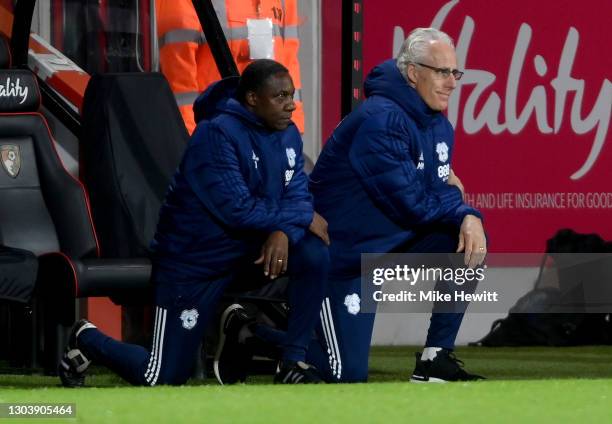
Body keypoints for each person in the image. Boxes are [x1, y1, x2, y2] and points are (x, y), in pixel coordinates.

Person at [58, 59, 329, 386]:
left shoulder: (288, 136)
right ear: (253, 99)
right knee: (163, 376)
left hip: (246, 254)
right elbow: (238, 210)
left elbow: (299, 195)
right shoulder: (216, 135)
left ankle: (291, 361)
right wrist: (297, 218)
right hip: (194, 262)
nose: (291, 105)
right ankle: (86, 337)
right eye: (280, 97)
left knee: (315, 251)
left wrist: (285, 229)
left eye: (292, 95)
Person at [307, 28, 487, 383]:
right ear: (412, 72)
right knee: (344, 374)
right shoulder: (380, 119)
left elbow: (435, 192)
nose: (451, 82)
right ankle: (251, 335)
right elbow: (414, 204)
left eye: (455, 72)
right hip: (343, 256)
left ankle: (437, 357)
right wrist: (464, 209)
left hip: (386, 247)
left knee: (467, 242)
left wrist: (465, 215)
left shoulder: (438, 123)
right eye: (441, 71)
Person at [156, 0, 304, 135]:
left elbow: (289, 65)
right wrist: (194, 144)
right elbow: (180, 87)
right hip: (216, 136)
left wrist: (292, 132)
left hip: (268, 139)